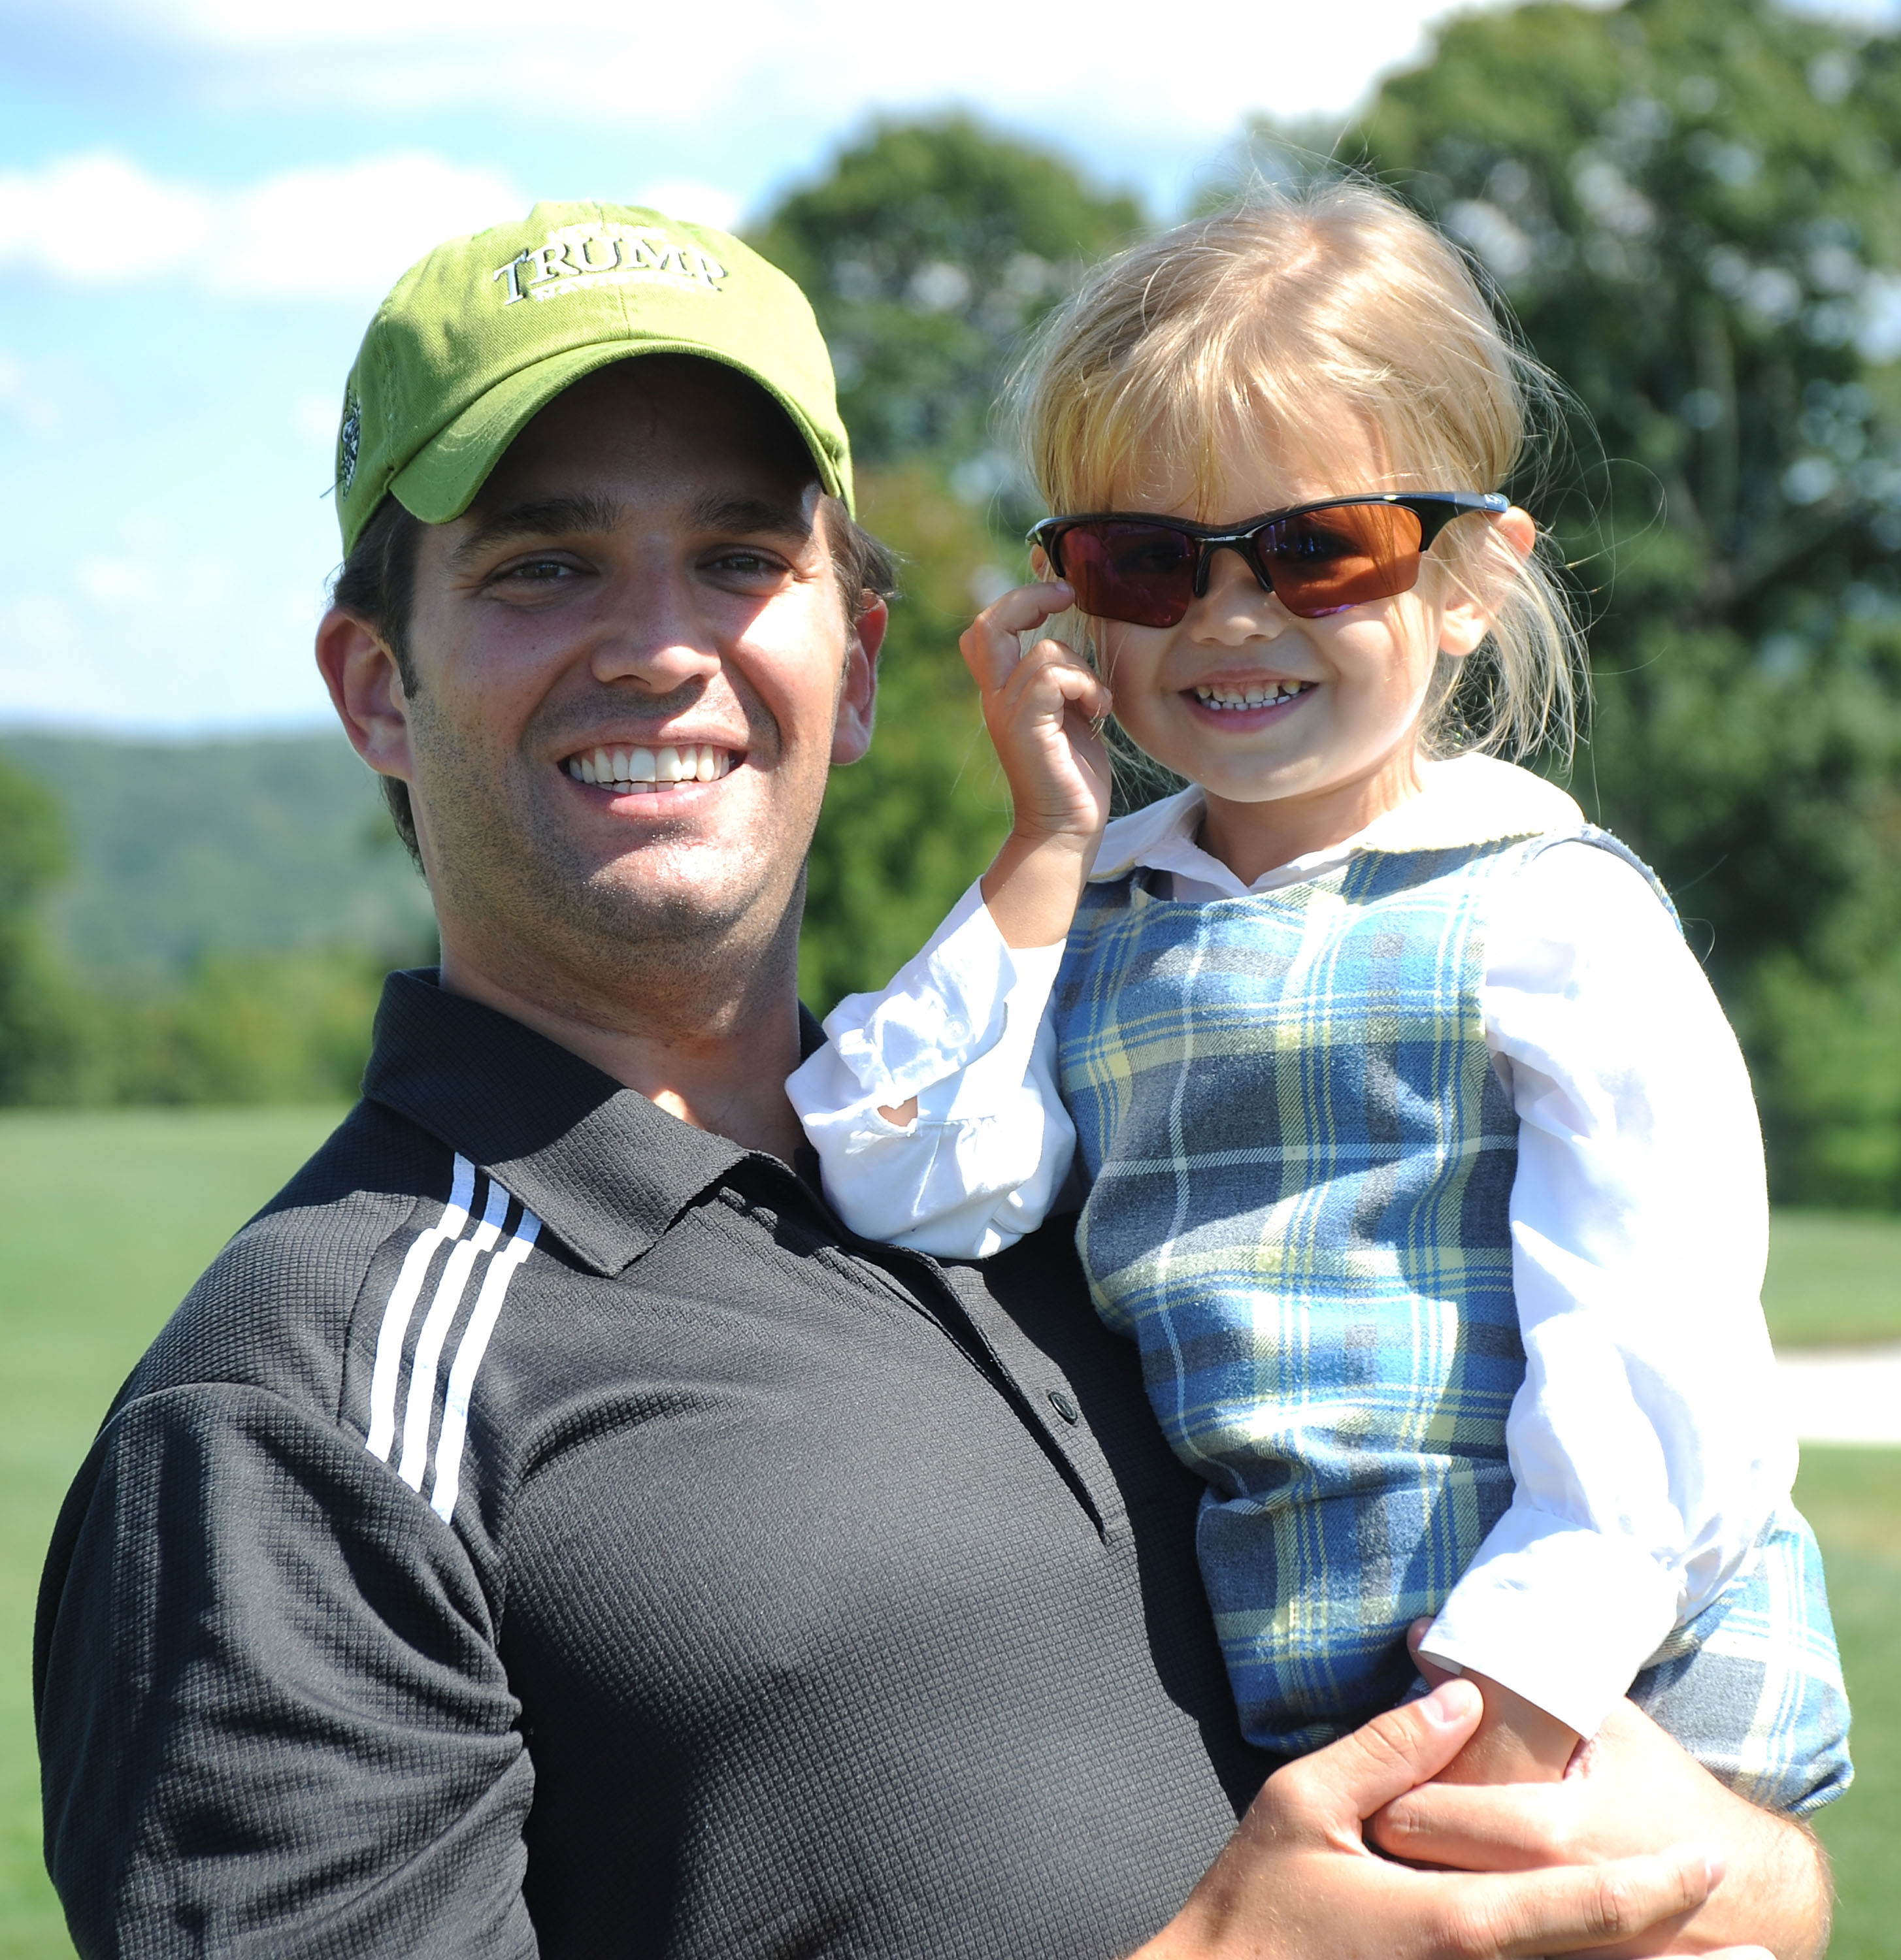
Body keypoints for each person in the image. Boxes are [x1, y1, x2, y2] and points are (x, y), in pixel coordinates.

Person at [34, 199, 1825, 1959]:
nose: (661, 642)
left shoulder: (1018, 1138)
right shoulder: (295, 1410)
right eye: (541, 565)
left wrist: (1743, 1877)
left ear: (863, 662)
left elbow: (1694, 1736)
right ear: (371, 688)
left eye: (741, 557)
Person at [789, 186, 1851, 1809]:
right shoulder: (1089, 913)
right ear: (1067, 596)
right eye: (1147, 560)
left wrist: (1513, 1690)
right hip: (1295, 1720)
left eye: (1317, 550)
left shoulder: (1546, 913)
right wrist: (1045, 839)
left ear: (1475, 578)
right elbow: (910, 1178)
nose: (1230, 616)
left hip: (1583, 1703)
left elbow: (1661, 1361)